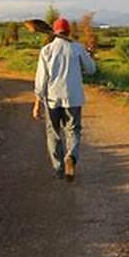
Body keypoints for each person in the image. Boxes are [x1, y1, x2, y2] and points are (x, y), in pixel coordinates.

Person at [33, 17, 96, 181]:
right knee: (73, 130)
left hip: (52, 99)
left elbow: (41, 81)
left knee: (53, 133)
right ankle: (71, 157)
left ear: (54, 32)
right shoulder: (77, 48)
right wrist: (89, 55)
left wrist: (37, 103)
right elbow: (91, 70)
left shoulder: (46, 51)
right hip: (73, 98)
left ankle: (58, 168)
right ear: (68, 31)